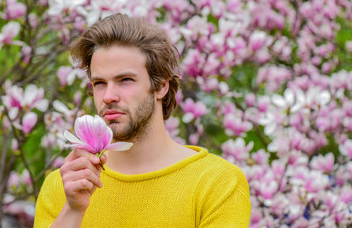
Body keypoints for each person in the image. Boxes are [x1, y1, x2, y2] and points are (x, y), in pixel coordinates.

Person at [34, 13, 251, 228]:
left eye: (125, 80)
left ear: (161, 86)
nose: (108, 96)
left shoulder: (217, 183)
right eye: (99, 83)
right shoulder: (64, 185)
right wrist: (73, 211)